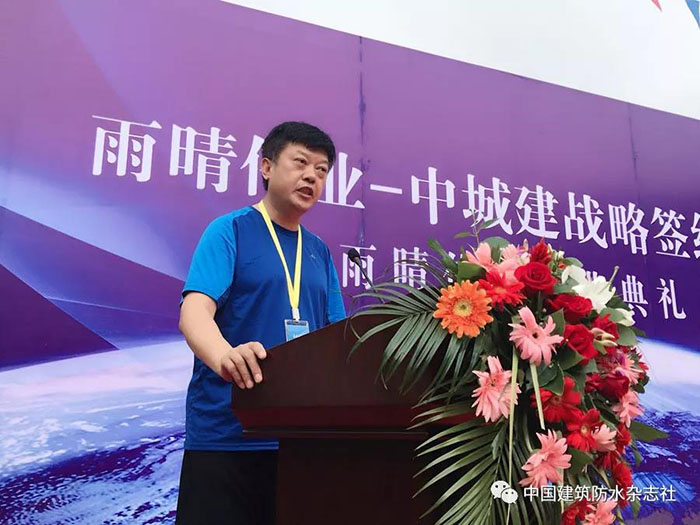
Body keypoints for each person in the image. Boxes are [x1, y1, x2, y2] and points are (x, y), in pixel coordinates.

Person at [175, 121, 346, 525]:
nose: (311, 176)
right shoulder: (230, 230)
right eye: (300, 163)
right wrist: (225, 356)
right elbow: (194, 312)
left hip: (300, 442)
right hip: (227, 439)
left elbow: (337, 338)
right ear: (266, 166)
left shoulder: (319, 251)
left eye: (321, 170)